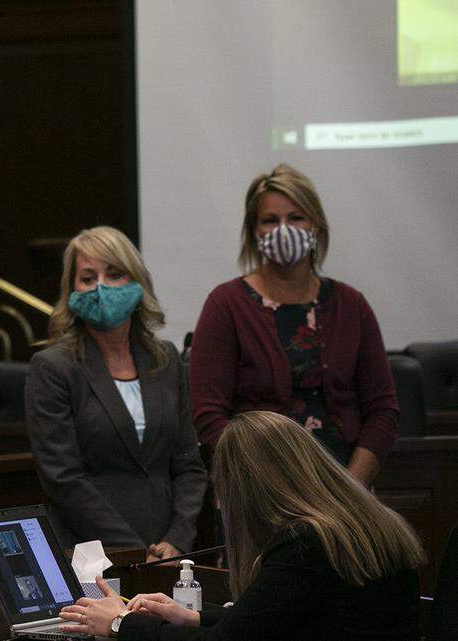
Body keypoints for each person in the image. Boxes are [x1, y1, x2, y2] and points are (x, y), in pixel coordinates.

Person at [58, 410, 424, 640]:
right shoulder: (366, 525)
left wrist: (120, 623)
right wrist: (192, 617)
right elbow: (269, 617)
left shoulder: (308, 542)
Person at [189, 164, 398, 484]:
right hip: (259, 488)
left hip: (346, 487)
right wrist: (266, 485)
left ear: (316, 226)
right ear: (254, 232)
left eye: (296, 218)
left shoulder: (351, 305)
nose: (283, 229)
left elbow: (382, 410)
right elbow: (208, 416)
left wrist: (350, 488)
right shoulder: (227, 304)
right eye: (270, 220)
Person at [25, 226, 206, 562]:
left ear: (137, 282)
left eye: (115, 274)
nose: (101, 288)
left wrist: (178, 537)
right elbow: (63, 478)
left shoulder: (164, 359)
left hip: (170, 550)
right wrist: (133, 549)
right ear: (72, 290)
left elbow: (188, 465)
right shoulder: (52, 367)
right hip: (91, 553)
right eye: (88, 278)